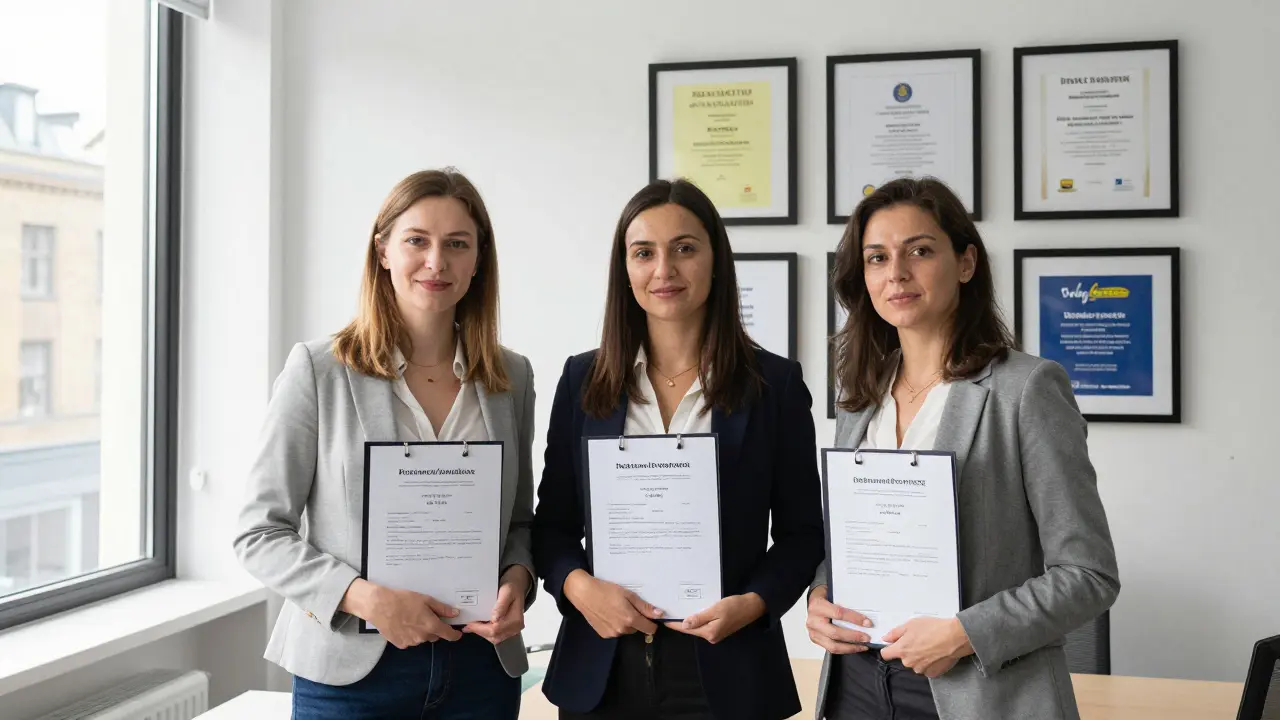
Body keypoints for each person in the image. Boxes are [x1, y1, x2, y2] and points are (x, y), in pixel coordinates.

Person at [806, 177, 1121, 720]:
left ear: (966, 262)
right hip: (855, 685)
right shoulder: (858, 399)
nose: (896, 273)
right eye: (877, 258)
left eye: (920, 251)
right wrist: (821, 593)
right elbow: (858, 540)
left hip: (976, 691)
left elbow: (1089, 575)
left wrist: (963, 633)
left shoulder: (1025, 389)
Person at [233, 169, 537, 720]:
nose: (436, 262)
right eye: (417, 240)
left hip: (478, 670)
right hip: (352, 673)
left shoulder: (510, 378)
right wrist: (364, 598)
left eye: (457, 244)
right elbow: (259, 532)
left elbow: (518, 523)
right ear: (383, 251)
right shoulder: (319, 371)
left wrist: (519, 579)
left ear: (478, 260)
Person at [531, 178, 825, 720]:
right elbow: (551, 526)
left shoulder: (774, 385)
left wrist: (755, 604)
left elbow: (804, 533)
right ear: (625, 268)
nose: (663, 270)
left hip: (727, 667)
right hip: (602, 670)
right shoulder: (582, 381)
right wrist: (578, 588)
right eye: (644, 252)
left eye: (684, 249)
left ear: (716, 261)